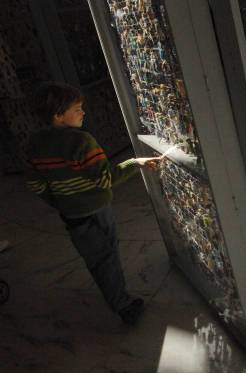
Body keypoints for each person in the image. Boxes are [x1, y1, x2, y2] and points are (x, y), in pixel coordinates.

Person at [25, 82, 160, 325]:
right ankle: (123, 305)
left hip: (71, 216)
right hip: (96, 212)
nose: (83, 112)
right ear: (58, 115)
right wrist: (134, 163)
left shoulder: (33, 144)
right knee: (106, 258)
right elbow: (105, 179)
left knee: (95, 257)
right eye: (77, 109)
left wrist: (62, 202)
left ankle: (114, 294)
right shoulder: (81, 142)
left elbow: (36, 185)